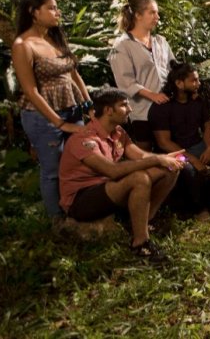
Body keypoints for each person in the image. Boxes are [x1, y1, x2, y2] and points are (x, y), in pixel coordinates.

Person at [58, 88, 184, 261]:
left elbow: (140, 156)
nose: (130, 109)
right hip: (81, 199)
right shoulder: (84, 139)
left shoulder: (118, 132)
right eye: (124, 105)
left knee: (169, 169)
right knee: (139, 178)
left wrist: (165, 158)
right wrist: (157, 160)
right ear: (109, 110)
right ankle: (140, 244)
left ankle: (145, 222)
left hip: (108, 188)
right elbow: (112, 170)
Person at [11, 0, 92, 223]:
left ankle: (78, 210)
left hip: (72, 109)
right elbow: (30, 90)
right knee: (53, 170)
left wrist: (88, 105)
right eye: (52, 8)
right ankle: (57, 221)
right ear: (34, 13)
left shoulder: (55, 38)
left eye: (57, 8)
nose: (58, 13)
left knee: (80, 160)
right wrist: (59, 123)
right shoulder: (22, 45)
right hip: (43, 116)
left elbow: (74, 74)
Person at [150, 61, 210, 220]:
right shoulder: (162, 107)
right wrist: (193, 160)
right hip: (173, 151)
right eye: (194, 81)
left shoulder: (197, 101)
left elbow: (207, 125)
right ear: (179, 84)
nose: (198, 84)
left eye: (198, 80)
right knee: (189, 170)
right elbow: (163, 143)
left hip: (197, 145)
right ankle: (199, 209)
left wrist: (209, 148)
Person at [108, 0, 175, 151]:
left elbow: (173, 69)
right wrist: (153, 95)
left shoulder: (161, 42)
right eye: (152, 13)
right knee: (145, 153)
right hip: (142, 111)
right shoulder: (122, 45)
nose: (157, 17)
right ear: (138, 15)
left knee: (168, 152)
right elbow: (125, 83)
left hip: (167, 108)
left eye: (157, 13)